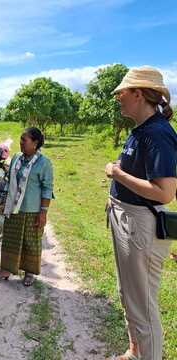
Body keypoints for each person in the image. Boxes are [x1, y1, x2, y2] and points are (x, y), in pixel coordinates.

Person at [106, 66, 177, 360]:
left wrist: (115, 173)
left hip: (140, 226)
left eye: (121, 92)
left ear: (138, 94)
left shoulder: (158, 133)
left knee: (142, 306)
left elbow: (165, 192)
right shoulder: (142, 131)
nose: (118, 98)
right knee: (129, 295)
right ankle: (135, 352)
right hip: (128, 221)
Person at [0, 127, 54, 286]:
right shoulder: (17, 157)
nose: (21, 142)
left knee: (30, 242)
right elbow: (11, 179)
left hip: (32, 210)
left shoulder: (44, 163)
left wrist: (43, 212)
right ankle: (5, 270)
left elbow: (47, 188)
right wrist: (4, 202)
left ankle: (29, 273)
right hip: (13, 209)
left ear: (35, 143)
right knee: (10, 240)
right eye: (21, 139)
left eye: (25, 140)